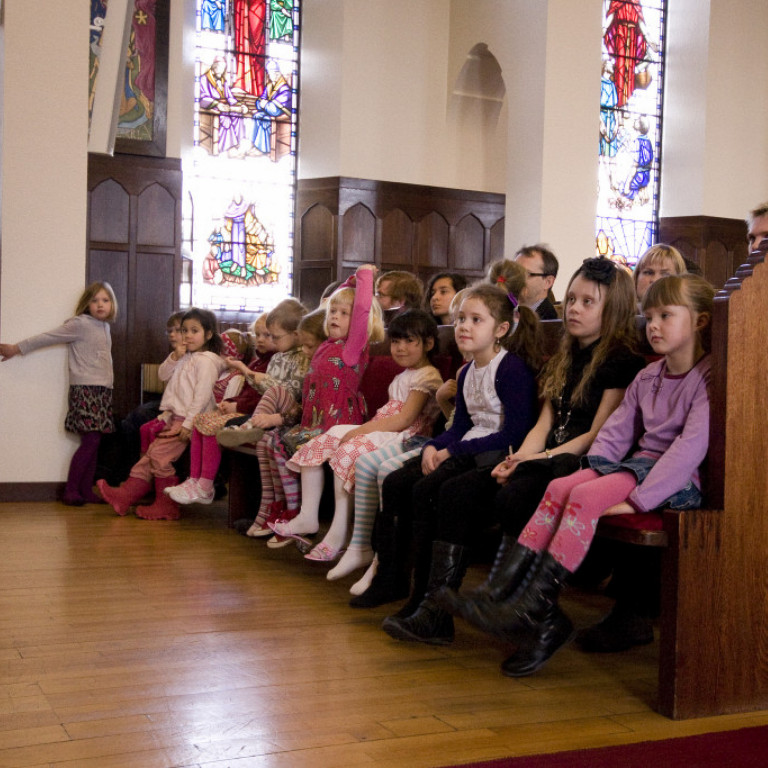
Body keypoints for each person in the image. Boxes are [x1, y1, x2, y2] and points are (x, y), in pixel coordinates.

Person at [442, 273, 715, 677]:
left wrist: (633, 501)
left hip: (671, 482)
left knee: (584, 499)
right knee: (559, 485)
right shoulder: (648, 375)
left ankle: (534, 602)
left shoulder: (706, 379)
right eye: (649, 316)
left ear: (700, 321)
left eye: (665, 316)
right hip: (635, 467)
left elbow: (687, 452)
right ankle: (499, 593)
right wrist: (592, 469)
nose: (652, 325)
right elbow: (616, 432)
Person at [435, 257, 644, 633]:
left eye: (588, 302)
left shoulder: (620, 360)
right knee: (507, 489)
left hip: (584, 460)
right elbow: (545, 422)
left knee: (516, 496)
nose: (575, 309)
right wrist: (521, 458)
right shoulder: (565, 355)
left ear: (612, 310)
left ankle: (523, 608)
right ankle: (507, 603)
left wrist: (539, 460)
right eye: (573, 299)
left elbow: (597, 434)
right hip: (548, 456)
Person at [378, 272, 542, 646]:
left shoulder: (511, 369)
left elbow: (513, 433)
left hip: (495, 459)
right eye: (462, 318)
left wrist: (453, 450)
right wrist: (436, 446)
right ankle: (415, 595)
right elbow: (461, 425)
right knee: (402, 482)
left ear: (501, 329)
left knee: (443, 492)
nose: (464, 326)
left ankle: (437, 611)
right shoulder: (467, 371)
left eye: (476, 320)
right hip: (468, 451)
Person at [286, 309, 443, 566]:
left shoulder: (428, 376)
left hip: (404, 435)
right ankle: (308, 514)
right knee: (327, 438)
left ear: (428, 344)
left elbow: (404, 419)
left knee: (348, 449)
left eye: (409, 341)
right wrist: (359, 430)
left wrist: (360, 431)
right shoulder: (403, 374)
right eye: (395, 341)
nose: (400, 348)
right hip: (383, 428)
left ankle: (339, 531)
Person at [264, 266, 386, 543]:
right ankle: (307, 515)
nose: (335, 316)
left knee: (312, 451)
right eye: (333, 312)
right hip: (316, 421)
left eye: (345, 313)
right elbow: (330, 302)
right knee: (306, 453)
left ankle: (309, 516)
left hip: (340, 422)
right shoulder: (326, 344)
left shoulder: (352, 347)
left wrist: (364, 277)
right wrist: (349, 283)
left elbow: (363, 310)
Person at [97, 308, 226, 521]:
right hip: (175, 418)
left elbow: (202, 396)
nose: (187, 335)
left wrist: (188, 424)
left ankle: (166, 506)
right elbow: (163, 374)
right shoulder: (187, 357)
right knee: (149, 458)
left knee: (159, 458)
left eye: (194, 331)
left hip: (189, 421)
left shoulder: (206, 361)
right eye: (185, 330)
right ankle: (125, 496)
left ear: (209, 334)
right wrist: (175, 356)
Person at [0, 282, 118, 506]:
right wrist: (17, 348)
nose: (100, 304)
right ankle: (71, 490)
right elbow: (48, 337)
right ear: (87, 304)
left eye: (105, 300)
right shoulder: (80, 324)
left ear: (112, 304)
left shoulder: (105, 327)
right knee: (91, 440)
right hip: (85, 389)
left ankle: (86, 490)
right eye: (95, 300)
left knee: (95, 440)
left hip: (103, 390)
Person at [242, 308, 328, 538]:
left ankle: (292, 511)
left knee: (275, 440)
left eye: (310, 346)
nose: (307, 352)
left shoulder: (314, 365)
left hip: (301, 422)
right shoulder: (290, 359)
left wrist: (276, 418)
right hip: (291, 416)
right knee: (263, 443)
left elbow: (309, 407)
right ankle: (271, 510)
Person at [513, 245, 559, 319]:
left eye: (526, 274)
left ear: (548, 282)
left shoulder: (549, 322)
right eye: (514, 272)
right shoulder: (506, 312)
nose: (515, 278)